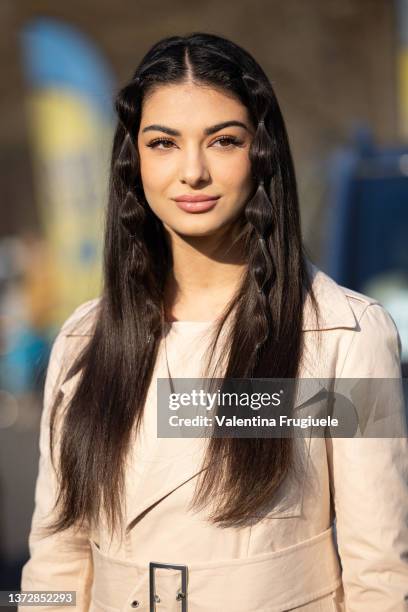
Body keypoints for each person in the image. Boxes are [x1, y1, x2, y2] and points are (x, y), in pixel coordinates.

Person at [20, 32, 408, 611]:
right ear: (135, 160)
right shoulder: (83, 341)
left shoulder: (344, 337)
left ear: (262, 152)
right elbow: (55, 561)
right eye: (163, 143)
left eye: (223, 140)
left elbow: (379, 575)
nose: (192, 171)